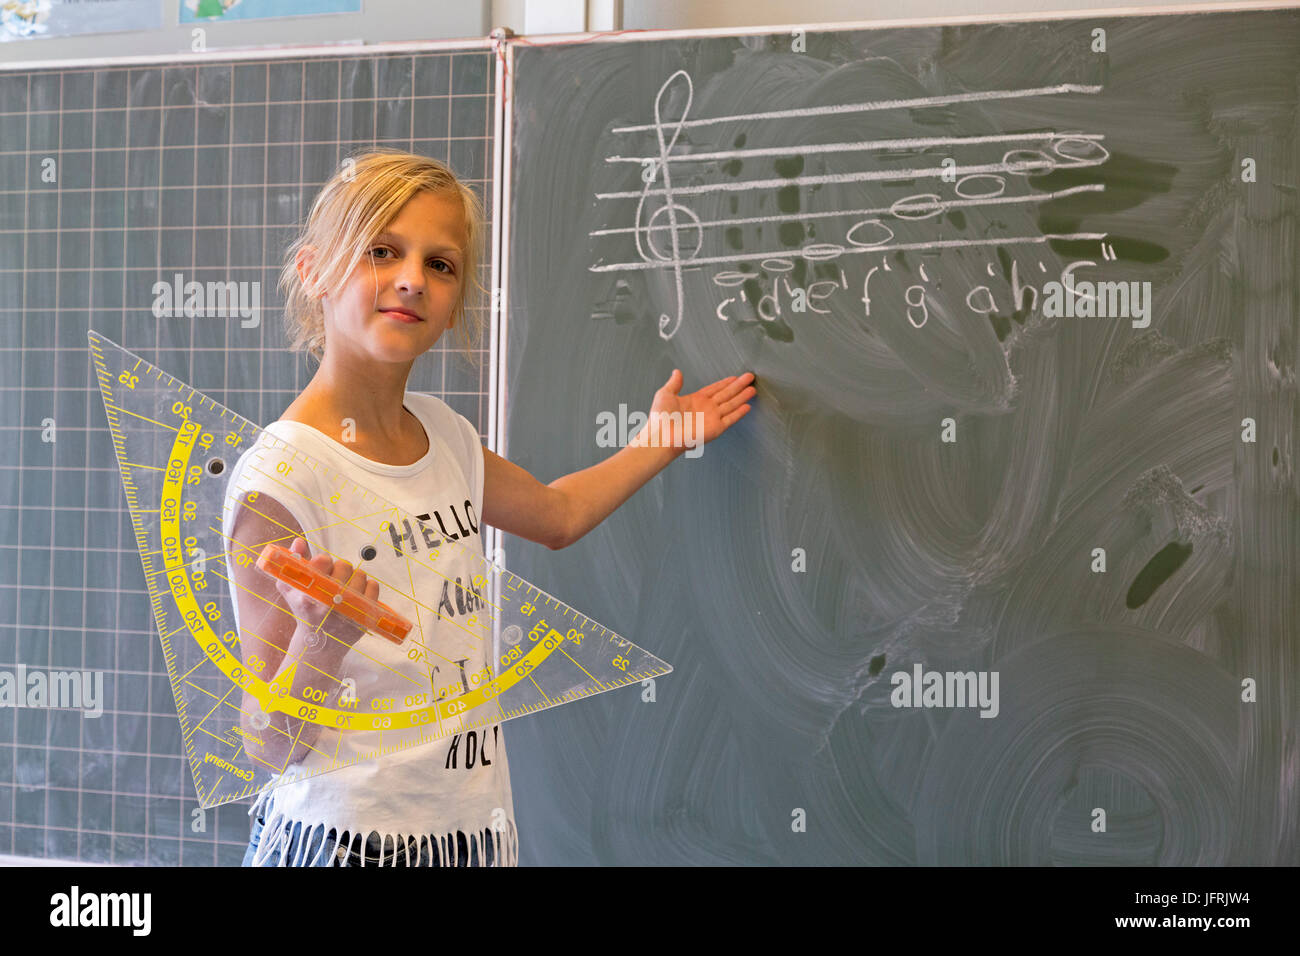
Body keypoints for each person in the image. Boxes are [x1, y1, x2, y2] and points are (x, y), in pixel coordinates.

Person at [223, 148, 756, 866]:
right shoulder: (282, 476)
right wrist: (323, 641)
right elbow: (268, 741)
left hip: (466, 838)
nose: (413, 278)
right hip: (344, 843)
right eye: (382, 251)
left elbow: (558, 514)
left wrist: (662, 440)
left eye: (440, 264)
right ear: (314, 271)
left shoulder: (444, 435)